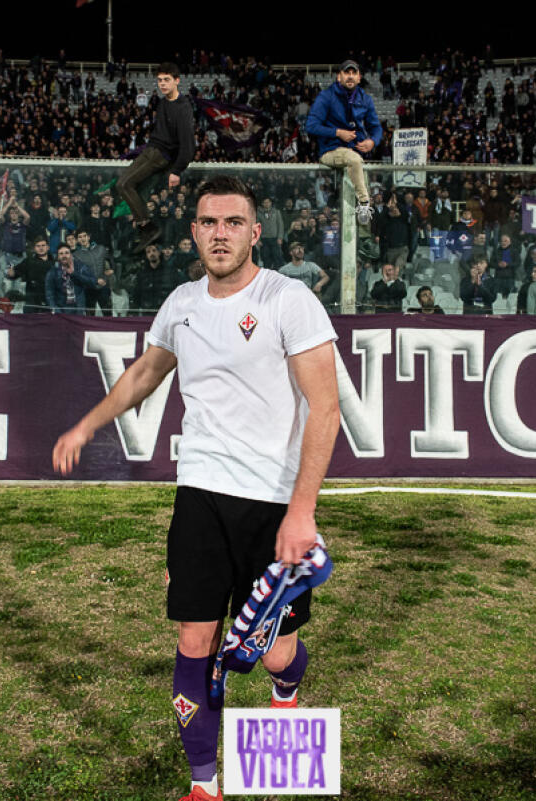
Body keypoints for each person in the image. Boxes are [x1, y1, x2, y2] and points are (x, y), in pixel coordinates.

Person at [52, 175, 340, 801]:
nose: (220, 234)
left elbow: (326, 408)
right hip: (200, 493)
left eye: (233, 223)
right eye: (209, 222)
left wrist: (302, 511)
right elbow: (146, 373)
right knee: (194, 640)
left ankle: (285, 691)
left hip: (273, 503)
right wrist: (88, 424)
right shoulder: (181, 302)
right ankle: (203, 785)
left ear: (255, 233)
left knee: (275, 653)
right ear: (193, 232)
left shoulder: (287, 300)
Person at [116, 63, 195, 254]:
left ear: (177, 81)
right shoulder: (162, 102)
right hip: (152, 149)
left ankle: (147, 227)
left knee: (124, 185)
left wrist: (176, 170)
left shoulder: (183, 107)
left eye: (167, 80)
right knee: (127, 187)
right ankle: (145, 227)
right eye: (159, 80)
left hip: (160, 155)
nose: (162, 84)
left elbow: (188, 145)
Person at [305, 59, 383, 227]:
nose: (350, 76)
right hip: (330, 151)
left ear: (359, 78)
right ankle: (364, 203)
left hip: (356, 155)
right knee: (353, 160)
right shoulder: (326, 96)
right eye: (346, 72)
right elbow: (310, 126)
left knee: (356, 163)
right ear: (338, 76)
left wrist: (372, 141)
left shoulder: (365, 99)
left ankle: (360, 232)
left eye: (354, 73)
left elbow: (376, 128)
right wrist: (337, 132)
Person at [45, 243, 98, 315]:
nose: (64, 256)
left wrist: (74, 274)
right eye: (61, 253)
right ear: (58, 257)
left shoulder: (81, 267)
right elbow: (49, 294)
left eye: (67, 253)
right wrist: (55, 310)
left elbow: (93, 282)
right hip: (61, 310)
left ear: (71, 255)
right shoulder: (52, 272)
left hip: (79, 309)